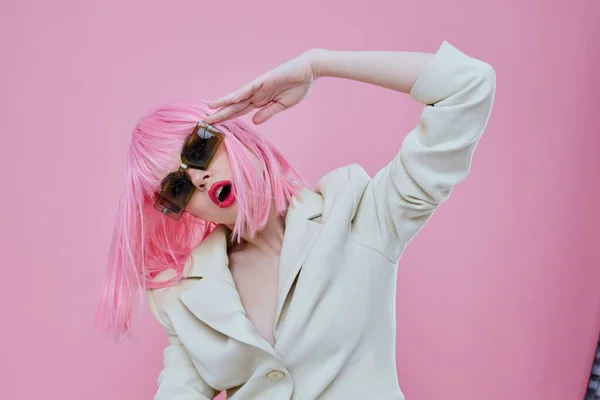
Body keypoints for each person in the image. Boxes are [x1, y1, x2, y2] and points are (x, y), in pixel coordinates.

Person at [97, 40, 495, 399]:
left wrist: (317, 64)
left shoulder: (356, 213)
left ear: (231, 137)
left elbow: (468, 86)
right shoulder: (183, 296)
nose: (198, 179)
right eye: (176, 189)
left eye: (198, 150)